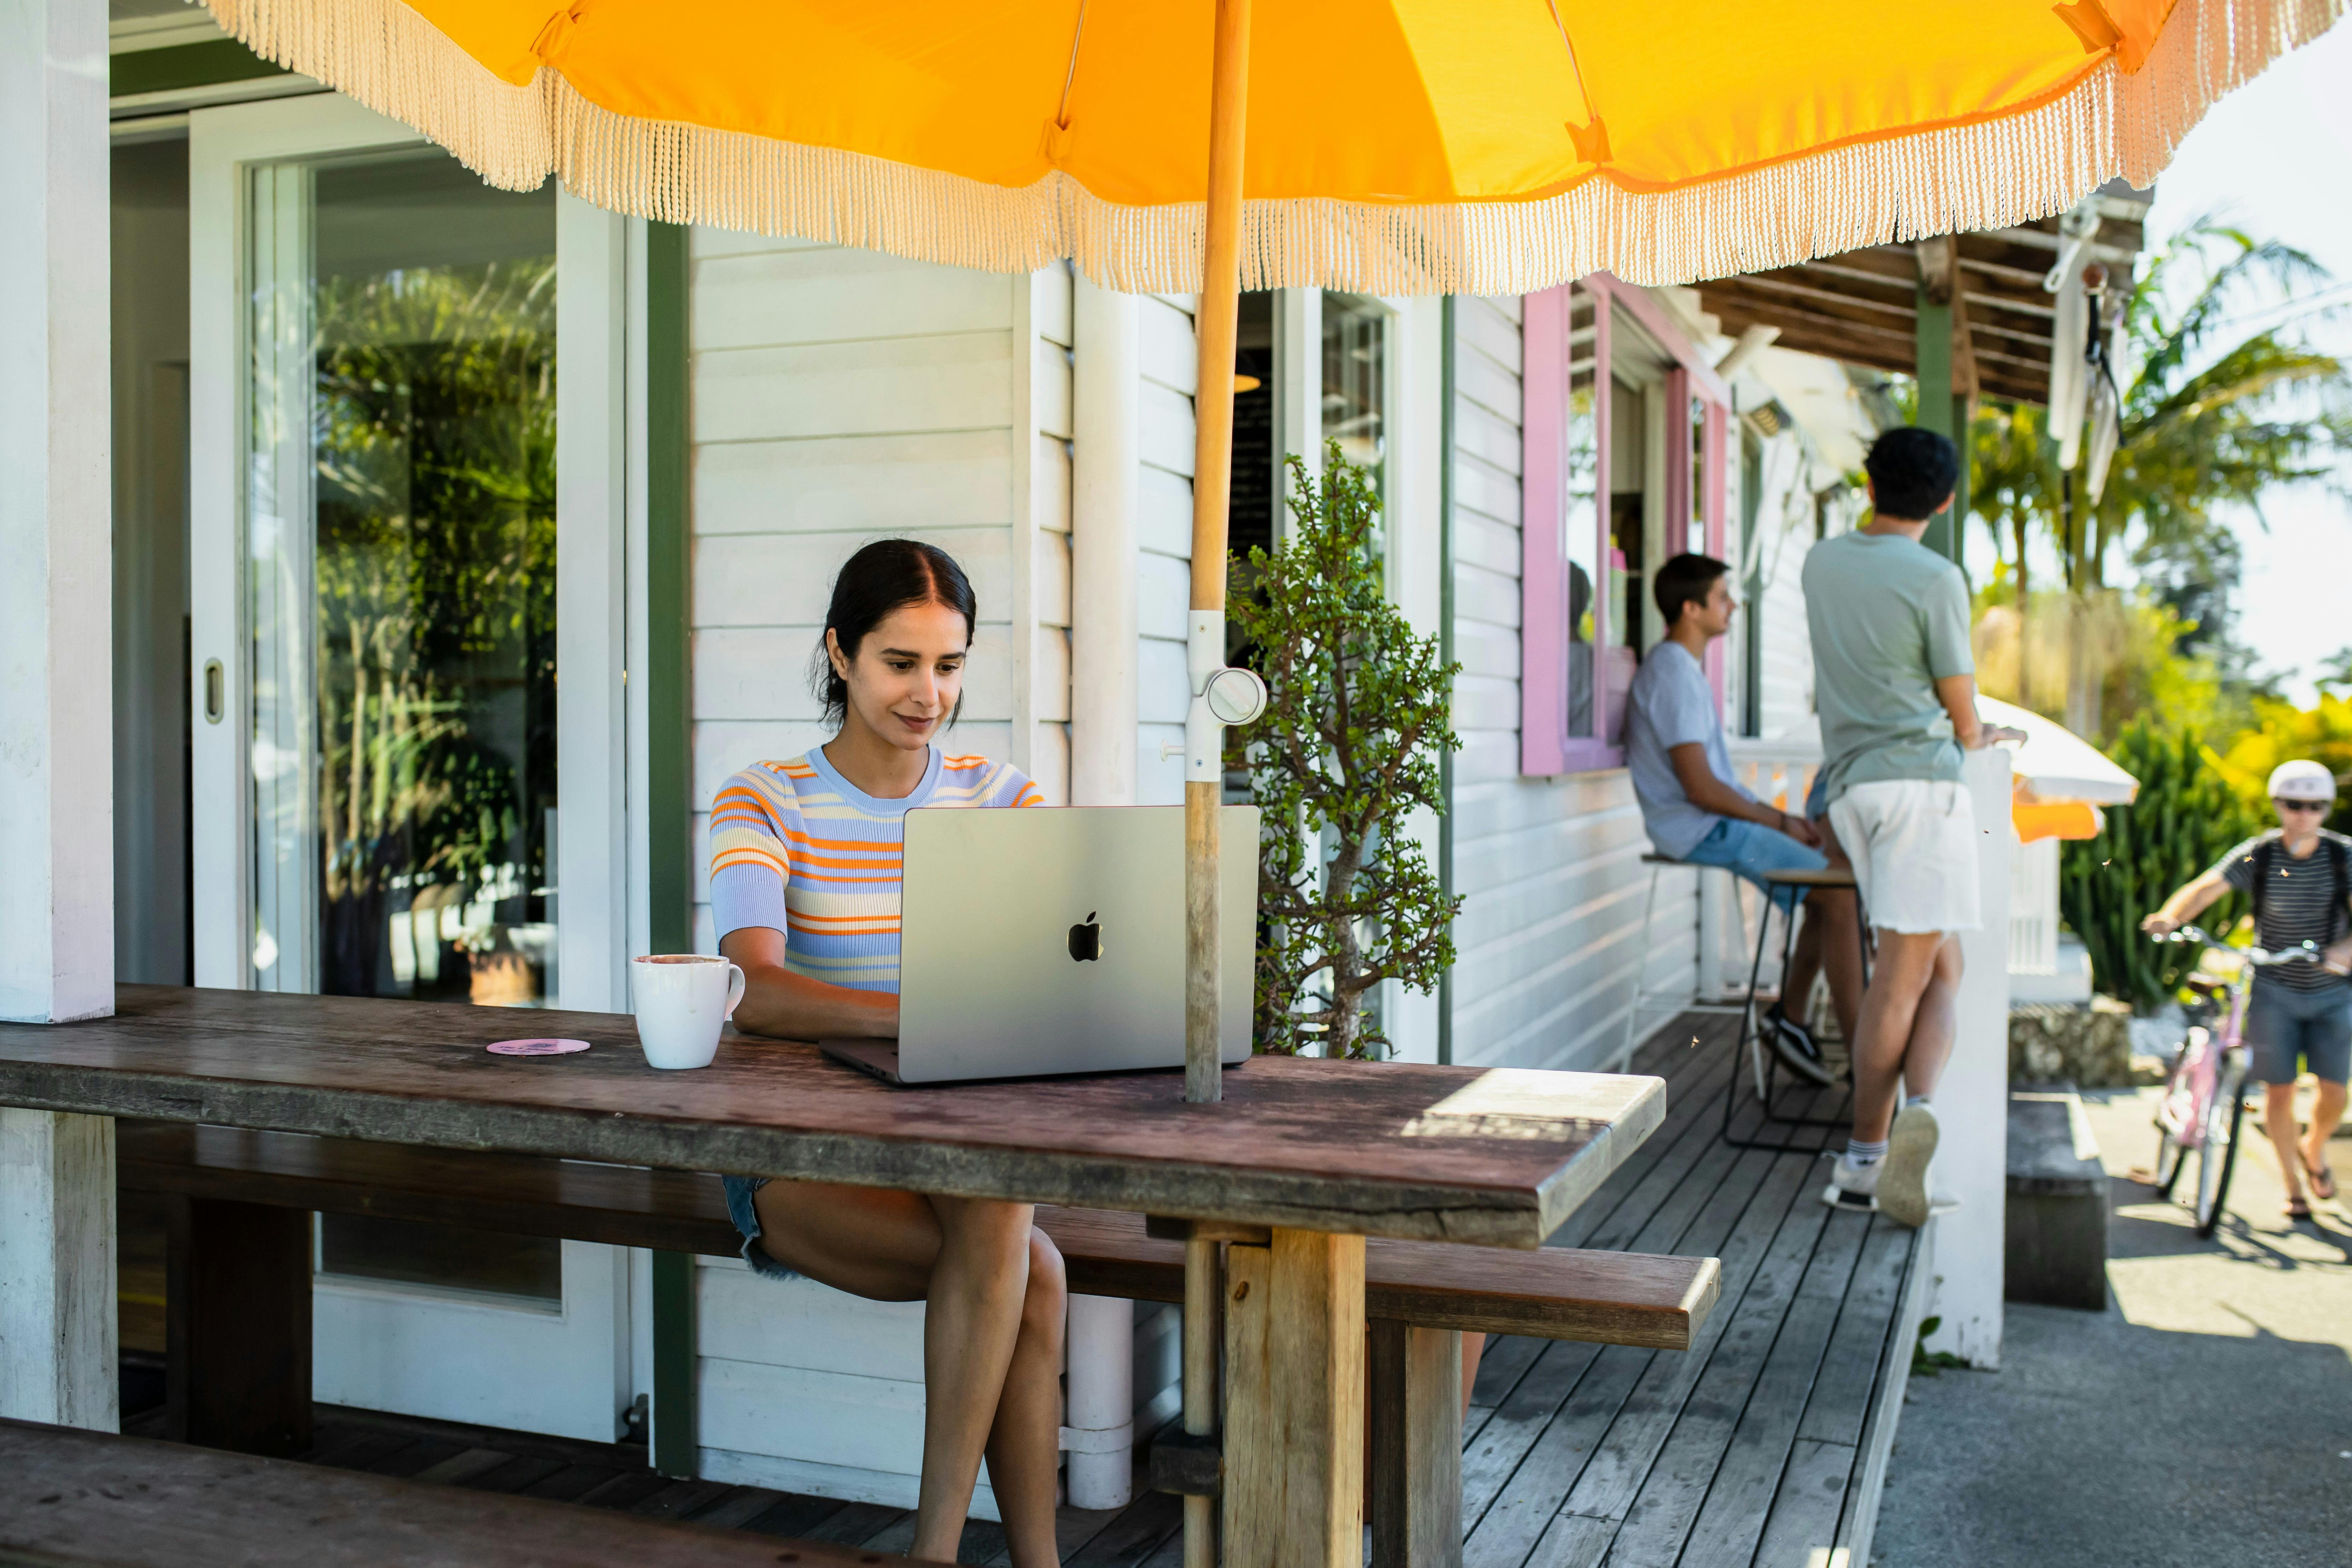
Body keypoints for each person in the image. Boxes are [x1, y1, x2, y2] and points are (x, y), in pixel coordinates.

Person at [708, 539, 1064, 1567]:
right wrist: (923, 1013)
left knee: (1007, 1219)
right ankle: (951, 1553)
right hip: (800, 1153)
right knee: (1029, 1265)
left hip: (957, 1141)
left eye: (948, 665)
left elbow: (1049, 977)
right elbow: (755, 990)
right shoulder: (764, 797)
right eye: (900, 662)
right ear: (840, 654)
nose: (928, 693)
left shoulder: (1002, 797)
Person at [1802, 427, 2023, 1227]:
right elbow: (1959, 701)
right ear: (1946, 499)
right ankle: (1865, 1158)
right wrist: (1978, 736)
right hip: (1920, 791)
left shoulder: (1820, 562)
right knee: (1902, 973)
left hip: (1852, 788)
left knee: (1943, 966)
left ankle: (1919, 1108)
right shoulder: (1938, 577)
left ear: (1868, 484)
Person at [1624, 553, 1861, 1082]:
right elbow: (1700, 789)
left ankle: (1791, 1018)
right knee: (1840, 891)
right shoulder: (1672, 674)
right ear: (1690, 609)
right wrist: (1778, 823)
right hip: (1699, 831)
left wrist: (1781, 820)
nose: (1732, 605)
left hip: (1714, 825)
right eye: (1721, 596)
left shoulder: (1682, 669)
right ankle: (1866, 1059)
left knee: (1832, 875)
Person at [2141, 759, 2352, 1220]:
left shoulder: (2343, 857)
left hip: (2332, 990)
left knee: (2335, 1091)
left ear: (2326, 810)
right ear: (2278, 805)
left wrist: (2344, 951)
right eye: (2294, 805)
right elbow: (2206, 888)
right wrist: (2169, 917)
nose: (2303, 815)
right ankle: (2292, 1186)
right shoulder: (2259, 854)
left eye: (2315, 806)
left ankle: (2312, 1148)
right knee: (2278, 1090)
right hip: (2273, 986)